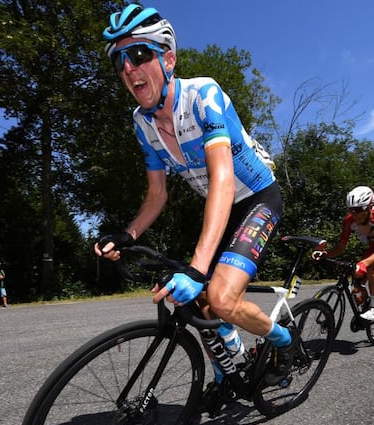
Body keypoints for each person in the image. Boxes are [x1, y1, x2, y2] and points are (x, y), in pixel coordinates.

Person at [95, 4, 294, 386]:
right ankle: (227, 370)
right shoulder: (142, 123)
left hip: (255, 198)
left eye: (138, 54)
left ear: (167, 59)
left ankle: (284, 341)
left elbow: (222, 178)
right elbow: (157, 193)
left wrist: (198, 268)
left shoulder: (203, 95)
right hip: (221, 209)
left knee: (219, 298)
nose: (128, 68)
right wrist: (127, 234)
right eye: (120, 61)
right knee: (192, 301)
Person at [313, 186, 374, 321]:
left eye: (358, 210)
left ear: (370, 207)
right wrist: (325, 254)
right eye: (351, 210)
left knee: (372, 268)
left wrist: (363, 264)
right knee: (356, 282)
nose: (354, 214)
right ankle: (365, 307)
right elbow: (340, 247)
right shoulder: (349, 221)